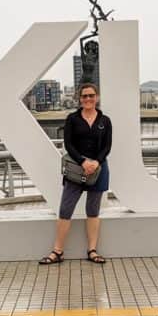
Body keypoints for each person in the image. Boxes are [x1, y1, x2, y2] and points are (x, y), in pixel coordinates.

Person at [40, 82, 112, 265]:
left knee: (93, 211)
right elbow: (68, 145)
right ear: (79, 99)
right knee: (65, 210)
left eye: (91, 95)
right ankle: (57, 252)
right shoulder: (72, 119)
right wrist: (83, 162)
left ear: (97, 97)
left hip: (99, 169)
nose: (88, 99)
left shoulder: (105, 121)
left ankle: (92, 251)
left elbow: (107, 147)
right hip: (75, 169)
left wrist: (95, 162)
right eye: (84, 96)